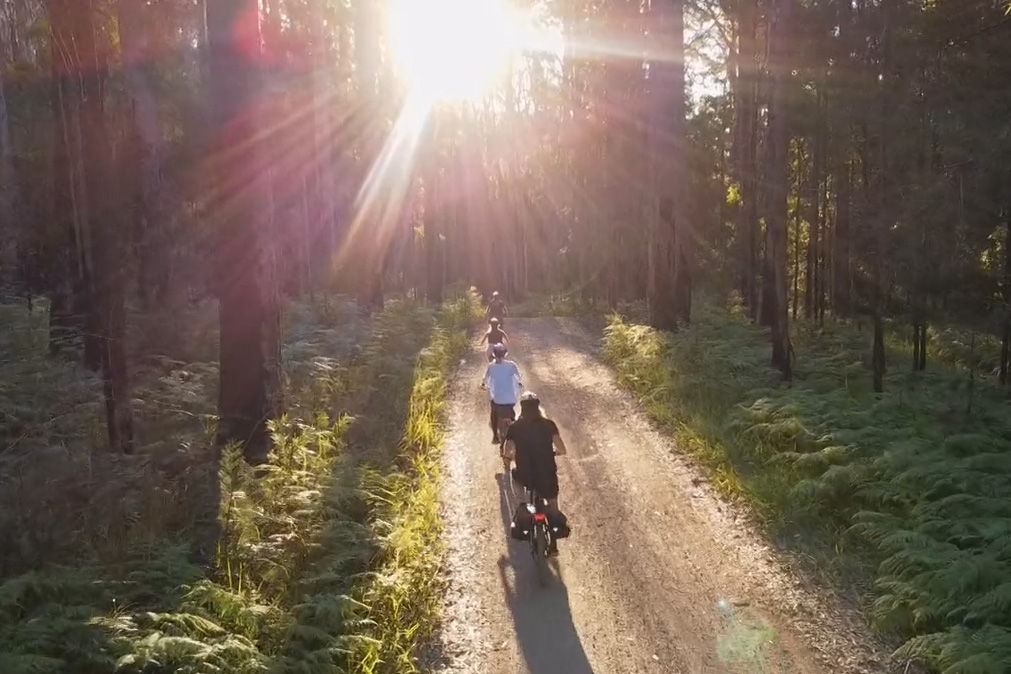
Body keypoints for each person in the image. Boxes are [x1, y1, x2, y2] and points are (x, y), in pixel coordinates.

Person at [503, 391, 568, 554]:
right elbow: (562, 449)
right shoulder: (549, 424)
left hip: (525, 474)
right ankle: (553, 545)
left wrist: (509, 458)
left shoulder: (514, 427)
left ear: (522, 408)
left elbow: (507, 450)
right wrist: (556, 453)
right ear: (538, 406)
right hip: (546, 473)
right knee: (552, 501)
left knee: (516, 483)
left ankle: (522, 507)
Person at [481, 343, 522, 444]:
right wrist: (520, 383)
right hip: (511, 399)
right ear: (505, 354)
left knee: (494, 413)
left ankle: (495, 436)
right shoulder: (511, 365)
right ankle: (517, 434)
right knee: (512, 413)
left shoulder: (491, 366)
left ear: (494, 354)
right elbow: (519, 377)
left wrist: (483, 384)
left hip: (497, 400)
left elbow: (485, 379)